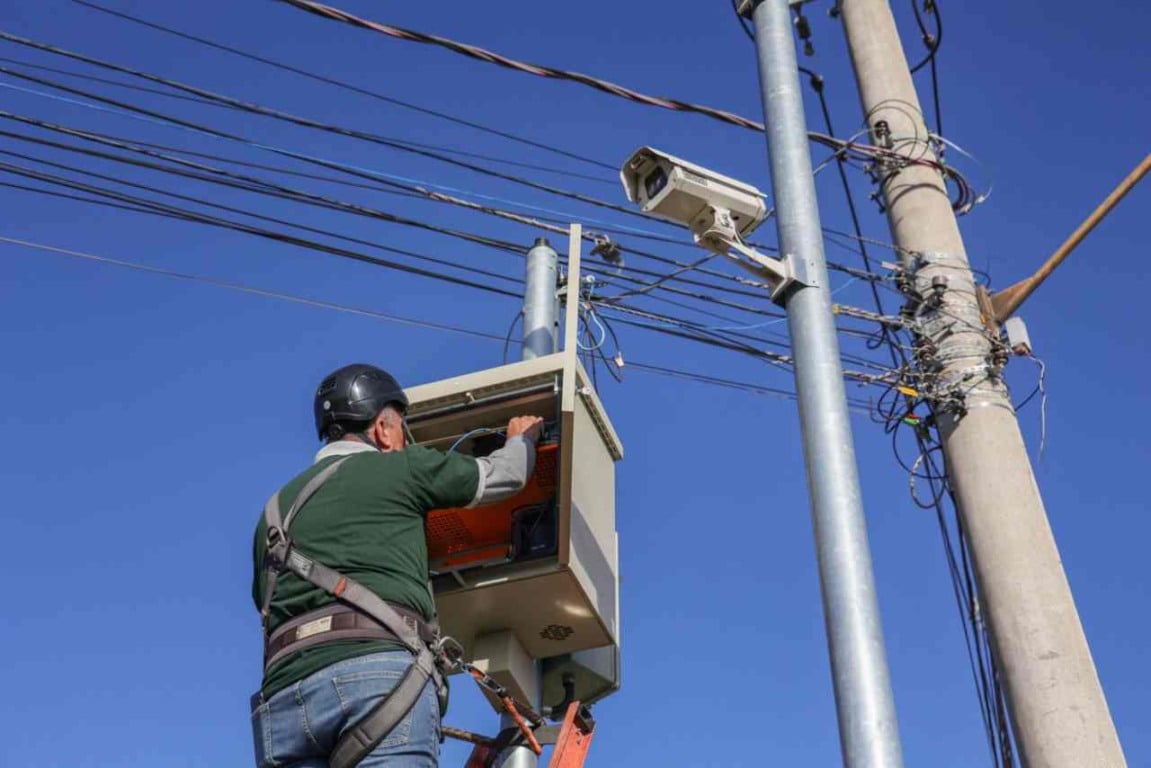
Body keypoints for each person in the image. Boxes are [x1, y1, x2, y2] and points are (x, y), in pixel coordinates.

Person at [251, 363, 543, 768]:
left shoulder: (272, 515)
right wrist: (521, 439)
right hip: (376, 681)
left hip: (282, 700)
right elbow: (505, 476)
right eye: (404, 430)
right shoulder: (401, 468)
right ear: (385, 429)